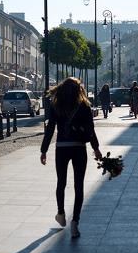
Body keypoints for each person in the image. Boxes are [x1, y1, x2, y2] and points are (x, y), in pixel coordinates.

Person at [40, 77, 103, 239]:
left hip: (61, 148)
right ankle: (75, 221)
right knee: (78, 186)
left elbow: (50, 129)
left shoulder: (56, 105)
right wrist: (96, 149)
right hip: (79, 148)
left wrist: (44, 150)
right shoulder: (84, 106)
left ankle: (61, 214)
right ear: (79, 89)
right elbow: (90, 130)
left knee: (61, 182)